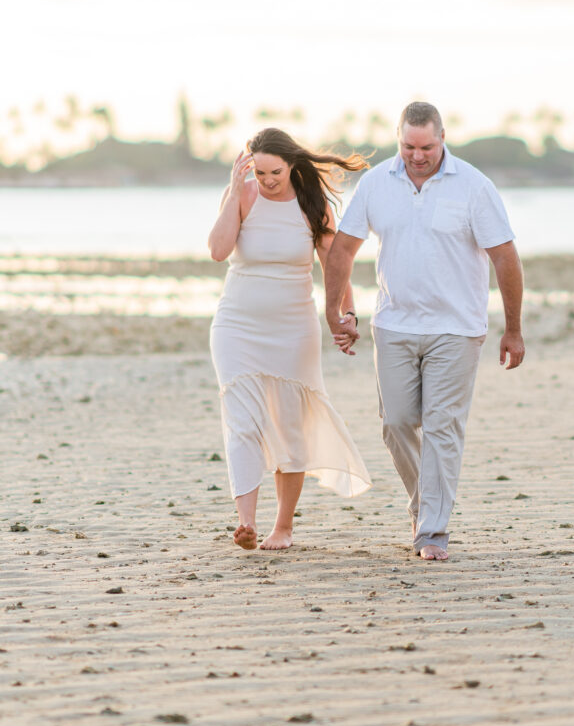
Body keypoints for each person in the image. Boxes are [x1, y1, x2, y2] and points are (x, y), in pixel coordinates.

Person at [324, 102, 525, 562]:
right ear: (399, 139)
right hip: (394, 324)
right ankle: (425, 503)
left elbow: (505, 258)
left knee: (441, 426)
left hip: (457, 329)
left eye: (427, 146)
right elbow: (342, 250)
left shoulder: (474, 186)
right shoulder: (376, 183)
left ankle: (432, 530)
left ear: (442, 138)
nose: (417, 155)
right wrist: (336, 312)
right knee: (395, 422)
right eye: (408, 146)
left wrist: (513, 328)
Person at [208, 128, 371, 552]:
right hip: (236, 325)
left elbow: (335, 267)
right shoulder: (243, 196)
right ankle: (245, 523)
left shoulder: (311, 205)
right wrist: (231, 192)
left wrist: (343, 315)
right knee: (242, 419)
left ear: (292, 165)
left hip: (294, 328)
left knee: (289, 426)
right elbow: (217, 250)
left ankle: (282, 528)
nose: (267, 180)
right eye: (258, 172)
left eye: (274, 172)